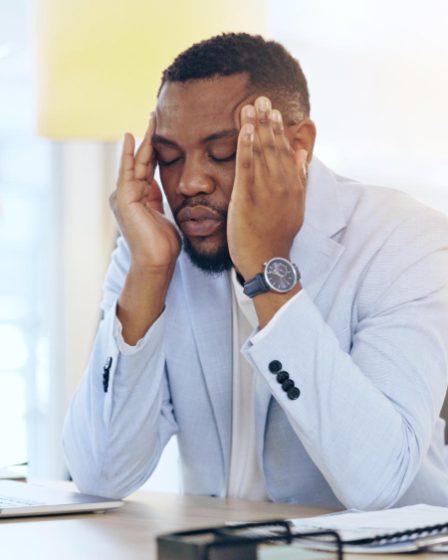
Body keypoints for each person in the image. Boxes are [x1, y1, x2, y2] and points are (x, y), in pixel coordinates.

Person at [63, 32, 448, 510]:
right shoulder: (156, 249)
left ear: (298, 146)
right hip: (218, 541)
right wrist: (148, 272)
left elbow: (378, 482)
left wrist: (268, 270)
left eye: (222, 152)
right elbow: (100, 474)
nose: (189, 182)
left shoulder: (406, 240)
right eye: (170, 158)